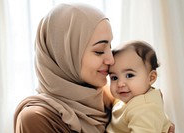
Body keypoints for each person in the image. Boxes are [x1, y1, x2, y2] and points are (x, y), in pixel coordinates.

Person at [14, 3, 175, 133]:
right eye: (99, 51)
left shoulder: (108, 96)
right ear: (66, 55)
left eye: (110, 46)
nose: (111, 60)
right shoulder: (36, 119)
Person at [106, 40, 172, 133]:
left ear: (151, 78)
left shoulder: (145, 109)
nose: (120, 83)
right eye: (114, 77)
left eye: (129, 75)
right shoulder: (129, 98)